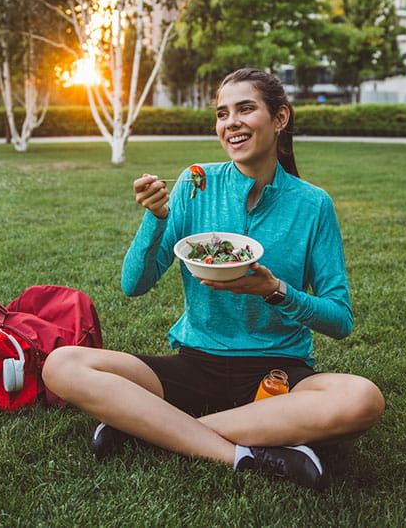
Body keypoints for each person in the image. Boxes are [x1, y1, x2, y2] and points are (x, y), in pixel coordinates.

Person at [42, 68, 384, 490]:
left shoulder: (313, 204)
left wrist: (275, 291)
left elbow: (340, 319)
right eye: (222, 113)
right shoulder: (194, 183)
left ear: (280, 118)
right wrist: (155, 218)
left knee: (361, 398)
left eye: (245, 109)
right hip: (194, 364)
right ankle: (240, 453)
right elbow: (135, 284)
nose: (231, 123)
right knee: (63, 364)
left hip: (275, 381)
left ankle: (154, 431)